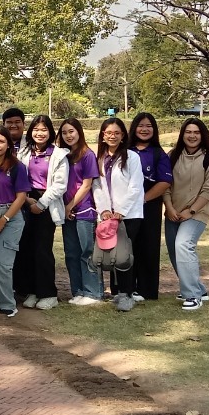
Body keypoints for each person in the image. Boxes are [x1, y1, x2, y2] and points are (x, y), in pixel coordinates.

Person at [164, 118, 209, 311]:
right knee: (175, 251)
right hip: (174, 212)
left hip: (197, 213)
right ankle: (199, 288)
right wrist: (170, 209)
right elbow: (164, 185)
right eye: (188, 132)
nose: (192, 136)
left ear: (203, 135)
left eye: (196, 132)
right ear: (182, 135)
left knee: (183, 244)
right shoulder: (172, 156)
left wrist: (191, 211)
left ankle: (192, 295)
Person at [92, 117, 146, 312]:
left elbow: (135, 187)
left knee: (124, 255)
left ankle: (126, 294)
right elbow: (97, 186)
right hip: (107, 215)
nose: (112, 136)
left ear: (123, 136)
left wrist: (120, 211)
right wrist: (105, 210)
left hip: (129, 215)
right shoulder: (99, 158)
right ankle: (118, 292)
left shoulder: (132, 157)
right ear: (103, 136)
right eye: (108, 133)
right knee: (110, 254)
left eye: (116, 133)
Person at [19, 115, 69, 311]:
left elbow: (60, 185)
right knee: (26, 249)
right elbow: (19, 176)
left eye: (44, 130)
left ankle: (48, 293)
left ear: (50, 132)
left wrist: (40, 203)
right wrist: (27, 200)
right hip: (25, 200)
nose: (40, 133)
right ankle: (32, 291)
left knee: (42, 250)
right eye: (36, 129)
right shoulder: (25, 152)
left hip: (46, 204)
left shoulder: (58, 155)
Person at [0, 126, 30, 318]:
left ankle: (7, 303)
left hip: (11, 217)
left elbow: (21, 197)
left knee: (0, 262)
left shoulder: (17, 167)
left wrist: (5, 219)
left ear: (9, 144)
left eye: (1, 141)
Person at [57, 118, 103, 306]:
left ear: (79, 132)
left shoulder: (87, 155)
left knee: (87, 252)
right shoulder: (63, 155)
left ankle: (93, 292)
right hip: (67, 211)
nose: (68, 135)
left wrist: (69, 206)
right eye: (64, 132)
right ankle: (77, 291)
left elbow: (86, 185)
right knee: (71, 253)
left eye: (72, 131)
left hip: (84, 210)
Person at [130, 112, 174, 301]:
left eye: (149, 126)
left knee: (147, 247)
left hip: (148, 205)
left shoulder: (158, 153)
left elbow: (165, 181)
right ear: (134, 128)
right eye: (141, 125)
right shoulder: (126, 149)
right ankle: (125, 288)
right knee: (126, 247)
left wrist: (143, 199)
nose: (144, 129)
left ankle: (146, 290)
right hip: (125, 207)